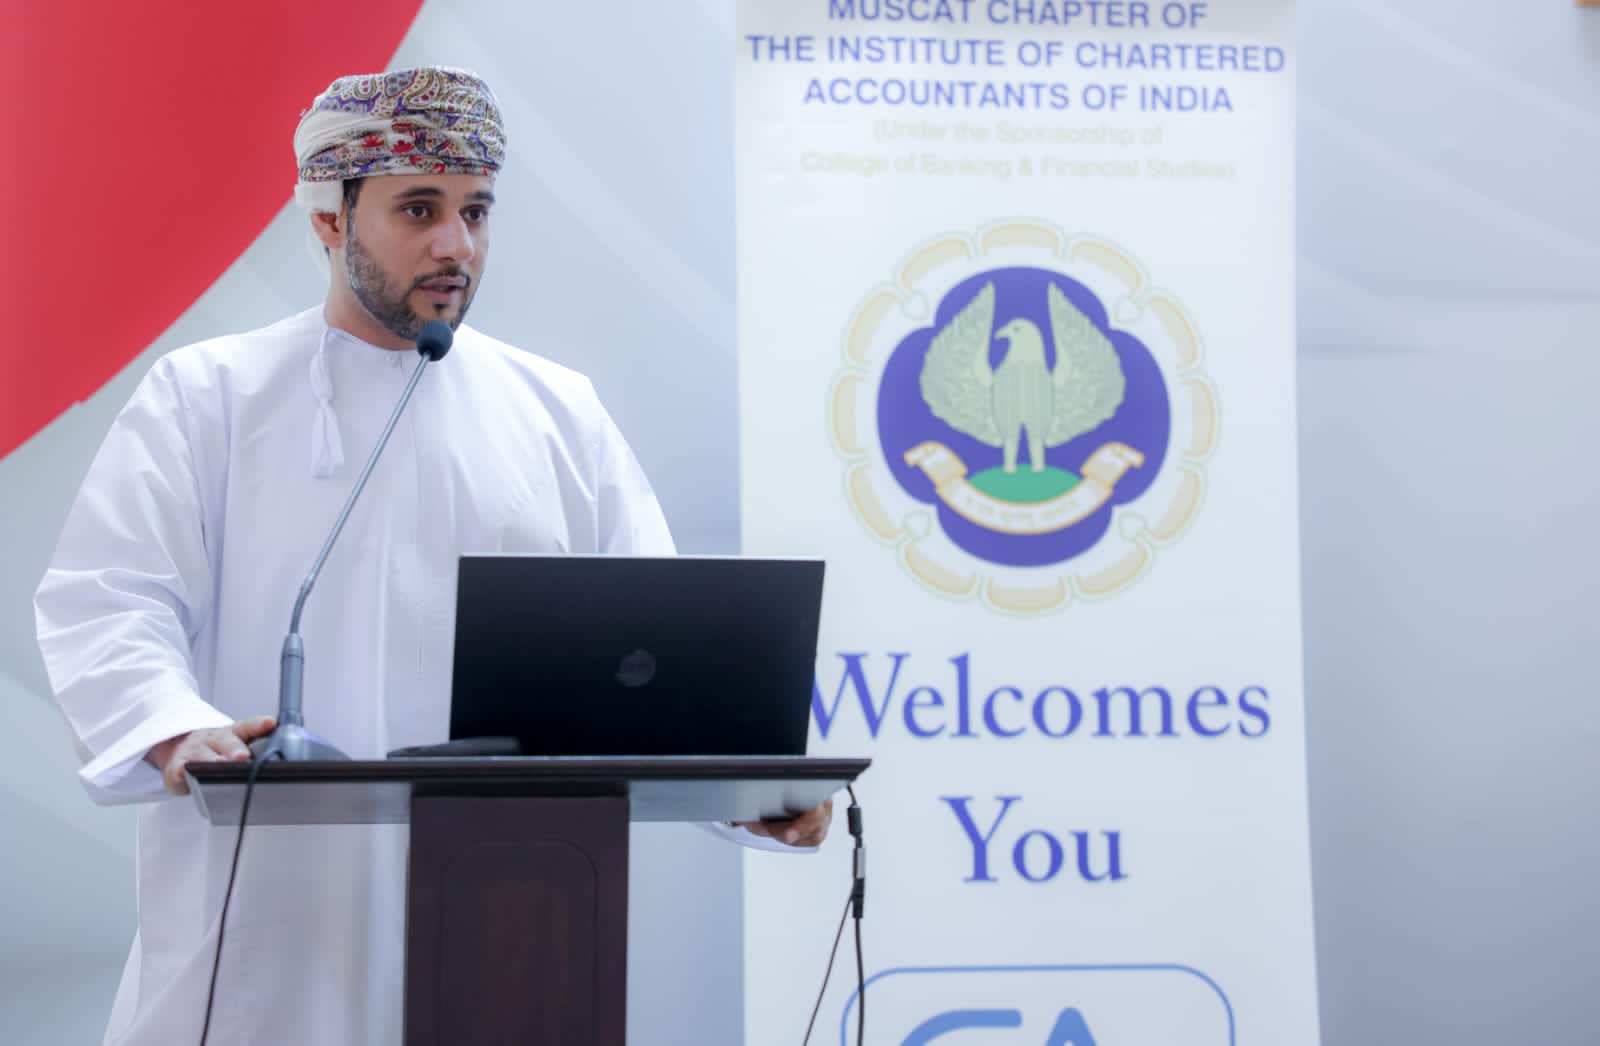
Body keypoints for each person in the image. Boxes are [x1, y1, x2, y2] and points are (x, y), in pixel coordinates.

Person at [34, 66, 830, 1045]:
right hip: (271, 930)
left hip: (511, 922)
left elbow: (653, 654)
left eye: (476, 211)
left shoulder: (556, 412)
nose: (458, 245)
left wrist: (748, 789)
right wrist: (175, 731)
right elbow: (108, 599)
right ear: (329, 219)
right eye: (420, 209)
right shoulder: (209, 397)